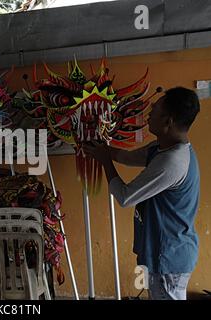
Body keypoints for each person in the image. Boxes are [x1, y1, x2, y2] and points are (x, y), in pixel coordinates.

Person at [83, 87, 201, 300]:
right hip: (163, 251)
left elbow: (125, 197)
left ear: (169, 121)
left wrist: (105, 161)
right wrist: (102, 148)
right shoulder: (161, 148)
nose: (148, 115)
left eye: (155, 110)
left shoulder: (172, 161)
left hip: (168, 257)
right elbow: (128, 158)